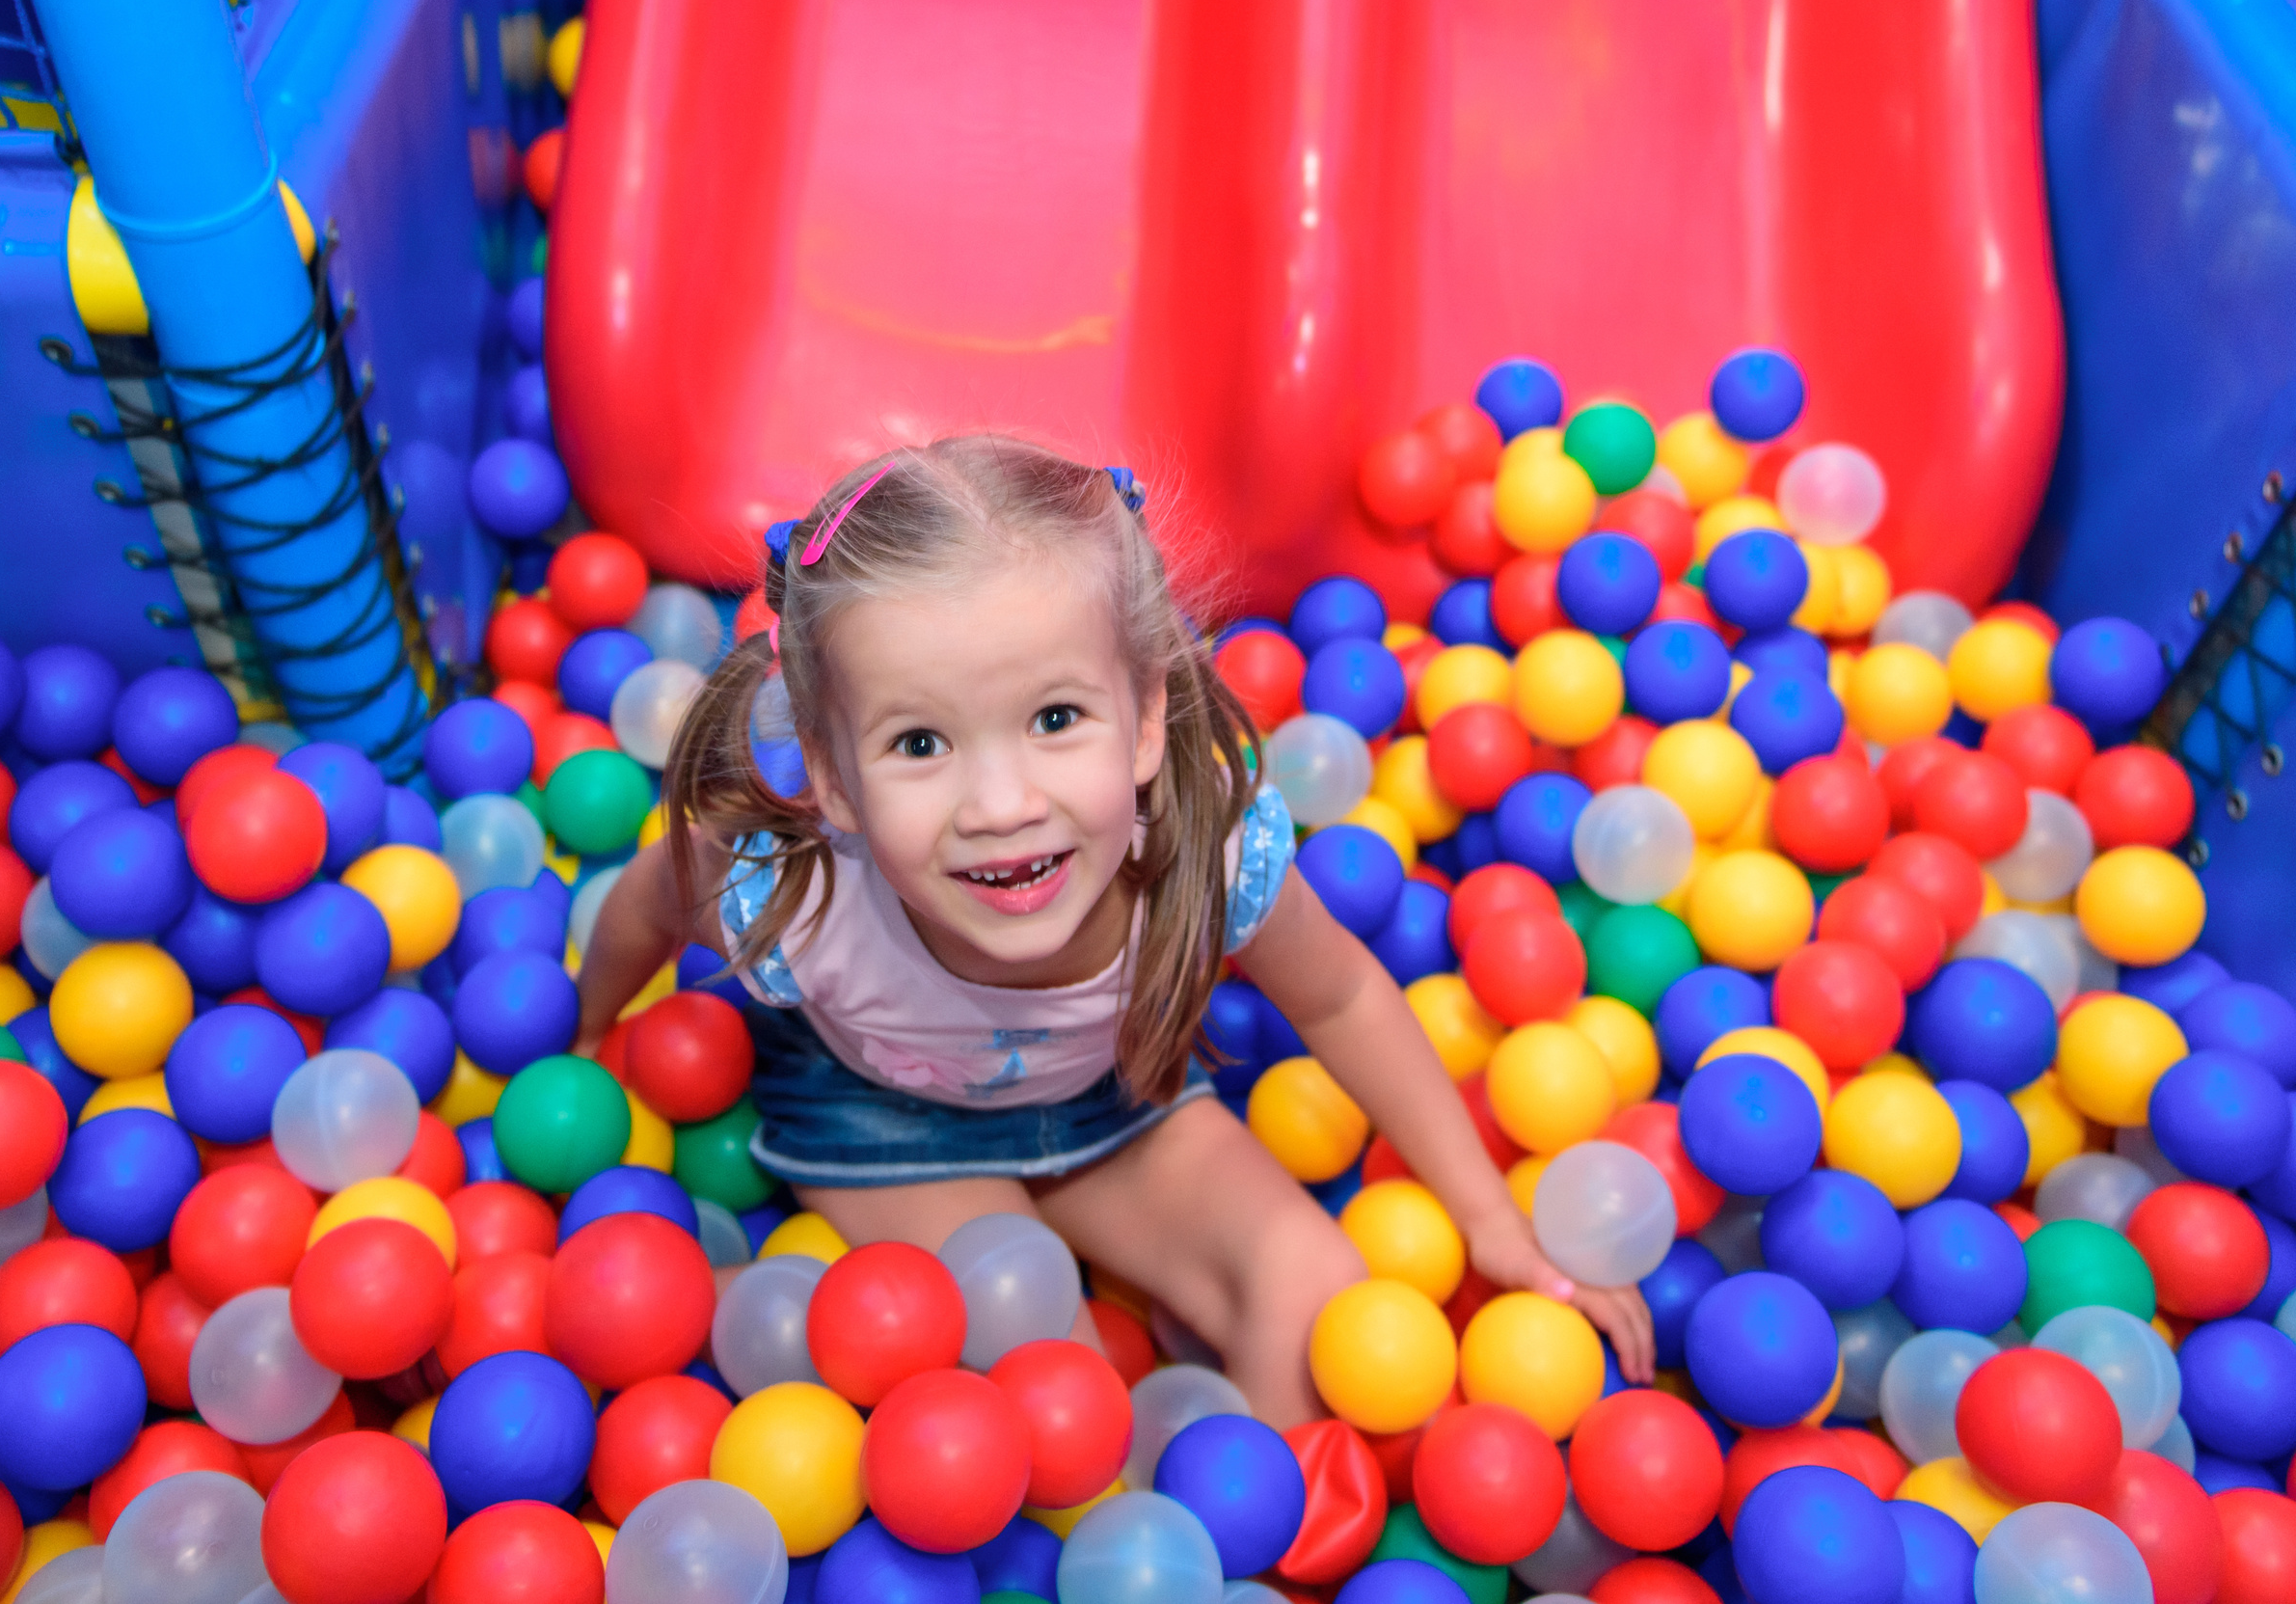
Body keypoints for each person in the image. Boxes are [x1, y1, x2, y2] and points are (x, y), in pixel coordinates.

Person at [578, 434, 1651, 1424]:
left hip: (1117, 1097)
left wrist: (1487, 1220)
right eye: (918, 742)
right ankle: (791, 1324)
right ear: (832, 776)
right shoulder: (790, 878)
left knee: (1318, 1293)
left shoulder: (1202, 851)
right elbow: (642, 903)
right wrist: (583, 1032)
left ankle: (1252, 1560)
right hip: (887, 1128)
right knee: (1060, 1384)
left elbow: (1340, 994)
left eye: (1054, 719)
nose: (999, 803)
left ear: (1144, 719)